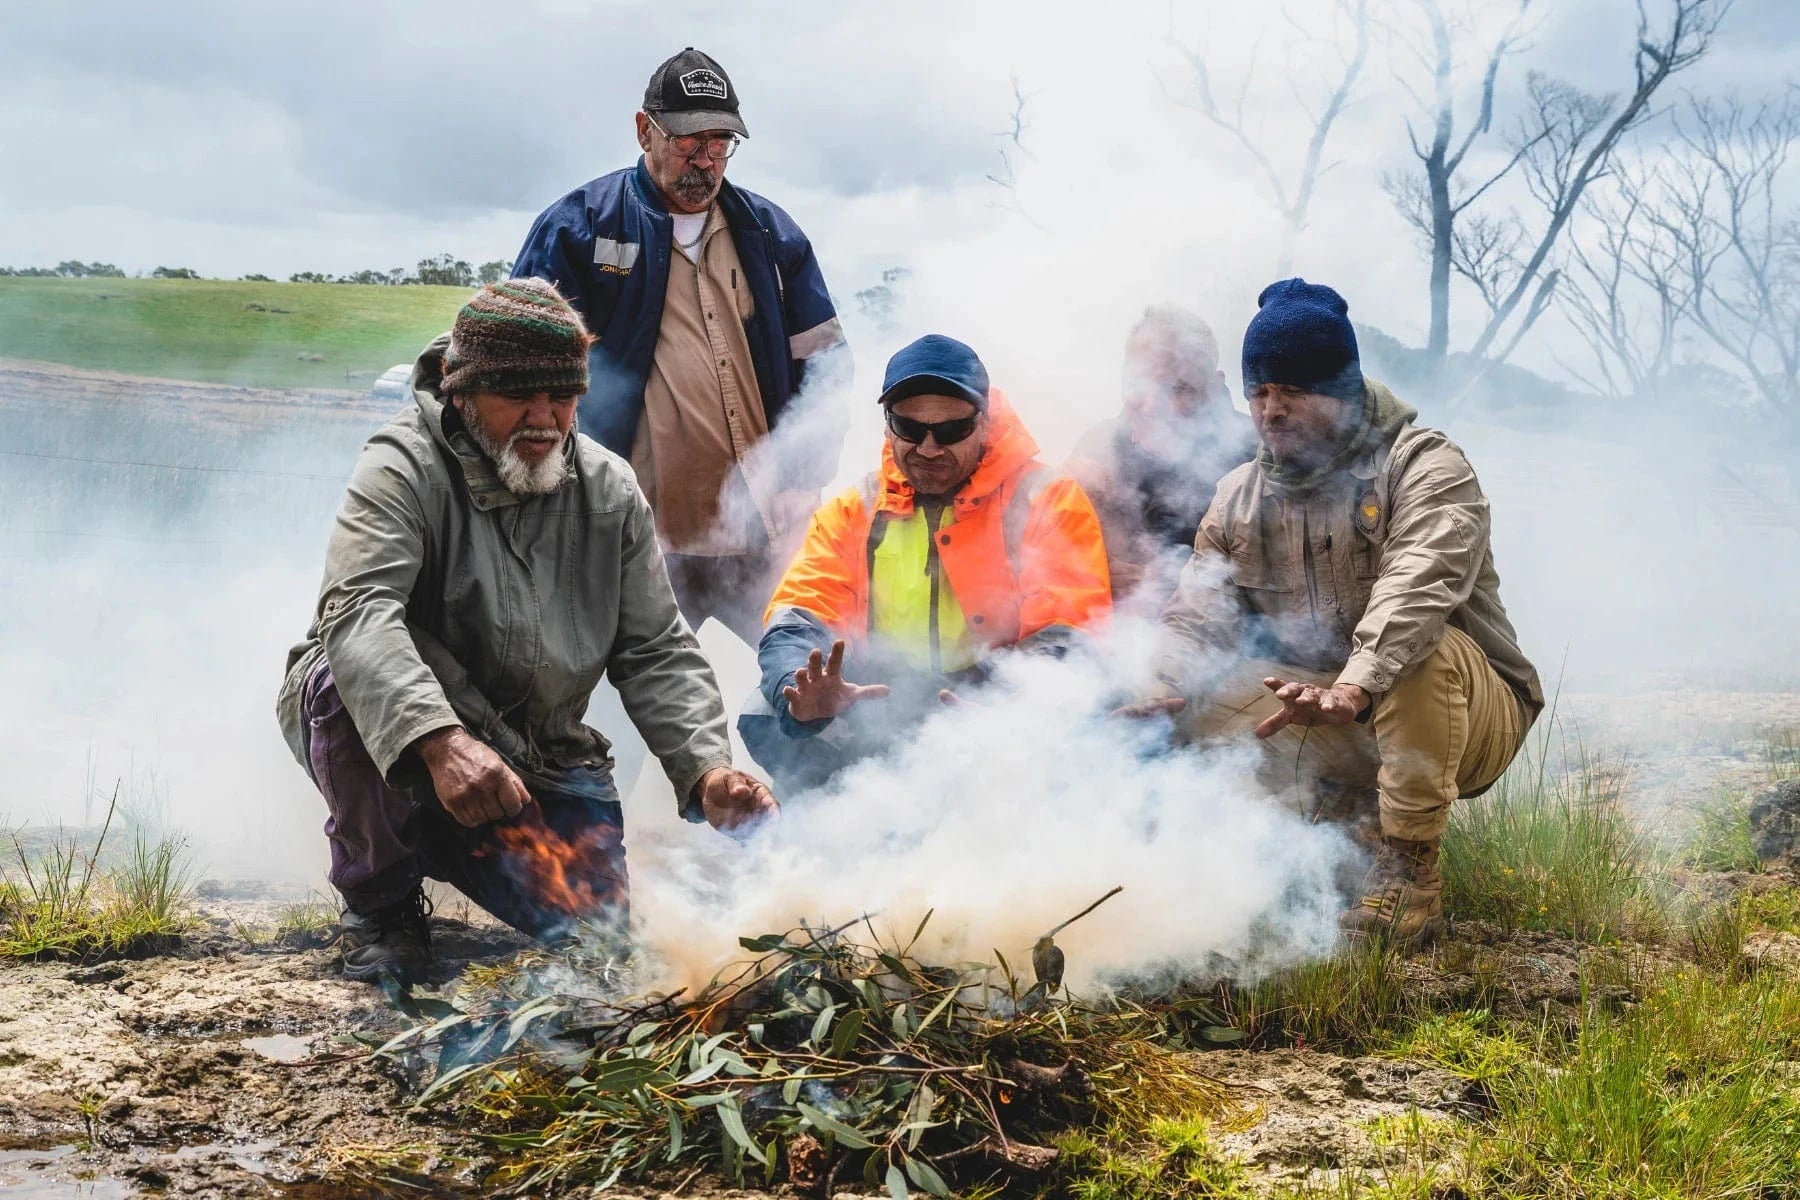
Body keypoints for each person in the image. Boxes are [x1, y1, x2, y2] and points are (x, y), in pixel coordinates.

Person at [275, 280, 777, 985]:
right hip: (421, 733)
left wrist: (706, 768)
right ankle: (382, 910)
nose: (543, 419)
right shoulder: (401, 465)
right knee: (338, 686)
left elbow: (656, 646)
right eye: (518, 395)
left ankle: (444, 841)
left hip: (537, 755)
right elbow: (357, 611)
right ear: (462, 391)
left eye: (561, 397)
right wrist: (440, 742)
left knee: (597, 941)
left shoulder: (609, 489)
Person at [1124, 279, 1544, 946]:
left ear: (1342, 389)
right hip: (1325, 708)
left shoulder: (1426, 466)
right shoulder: (1236, 496)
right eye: (1259, 392)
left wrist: (1357, 680)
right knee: (1194, 703)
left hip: (1466, 717)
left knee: (1418, 655)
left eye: (1292, 389)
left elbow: (1418, 584)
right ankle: (1310, 841)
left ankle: (1409, 873)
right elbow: (1199, 616)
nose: (1271, 409)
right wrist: (1160, 682)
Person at [511, 47, 850, 643]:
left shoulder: (770, 235)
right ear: (645, 129)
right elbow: (520, 372)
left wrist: (804, 478)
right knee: (611, 706)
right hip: (635, 537)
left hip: (760, 531)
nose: (706, 163)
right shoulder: (579, 228)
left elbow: (824, 364)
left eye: (720, 144)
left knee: (808, 681)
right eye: (689, 142)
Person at [738, 335, 1113, 793]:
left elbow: (1070, 632)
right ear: (887, 426)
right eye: (910, 429)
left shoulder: (1045, 497)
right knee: (767, 709)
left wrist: (1012, 706)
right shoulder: (858, 507)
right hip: (885, 701)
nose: (930, 448)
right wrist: (801, 693)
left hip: (994, 704)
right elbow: (799, 610)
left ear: (985, 424)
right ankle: (838, 829)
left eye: (952, 430)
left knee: (1098, 721)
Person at [1066, 305, 1257, 609]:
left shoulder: (1255, 458)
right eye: (1139, 384)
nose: (1154, 405)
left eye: (1178, 389)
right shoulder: (1100, 446)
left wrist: (1172, 585)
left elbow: (1286, 604)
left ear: (1214, 385)